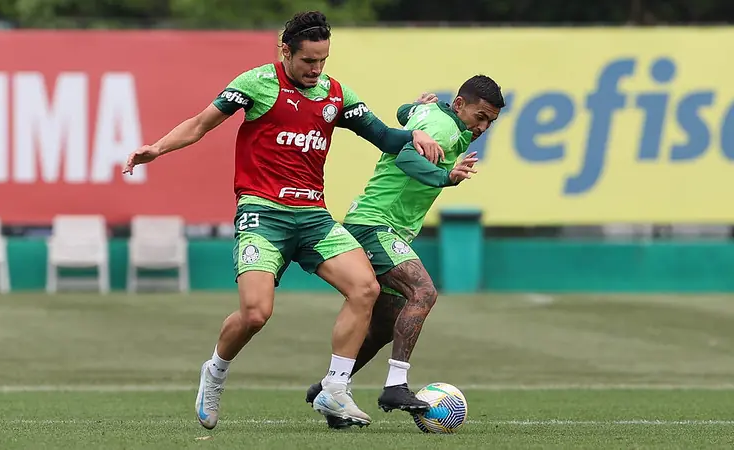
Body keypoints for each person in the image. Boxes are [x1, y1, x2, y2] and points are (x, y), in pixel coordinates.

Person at [122, 11, 445, 430]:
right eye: (308, 61)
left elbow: (383, 136)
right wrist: (157, 149)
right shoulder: (255, 84)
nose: (316, 70)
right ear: (286, 52)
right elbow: (201, 124)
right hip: (263, 212)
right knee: (256, 314)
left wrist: (414, 133)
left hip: (313, 216)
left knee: (365, 288)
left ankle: (335, 388)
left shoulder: (335, 95)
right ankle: (215, 372)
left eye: (323, 60)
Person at [304, 75, 506, 429]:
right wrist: (446, 177)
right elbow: (406, 158)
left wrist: (414, 107)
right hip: (375, 225)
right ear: (459, 104)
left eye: (490, 121)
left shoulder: (438, 119)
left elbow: (404, 114)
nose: (483, 127)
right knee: (423, 292)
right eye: (481, 116)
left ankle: (330, 387)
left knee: (385, 324)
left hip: (380, 225)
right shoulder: (442, 128)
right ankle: (395, 386)